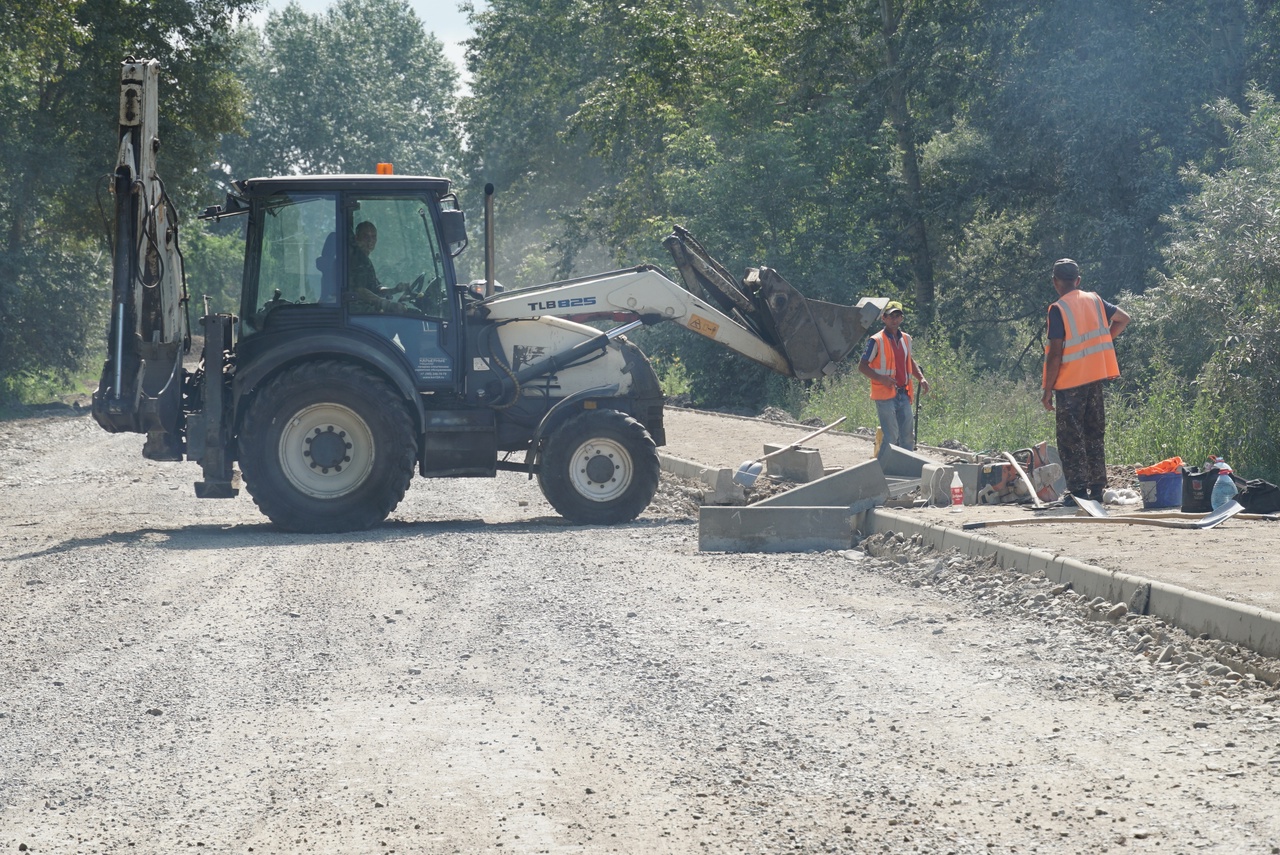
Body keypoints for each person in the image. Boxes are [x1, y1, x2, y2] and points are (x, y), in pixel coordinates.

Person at [1040, 258, 1130, 504]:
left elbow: (1056, 353)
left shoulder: (1058, 309)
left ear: (1055, 282)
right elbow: (1123, 318)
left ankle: (1078, 493)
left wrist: (1047, 390)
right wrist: (1104, 342)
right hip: (1095, 379)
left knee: (1071, 438)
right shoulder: (1095, 300)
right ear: (1078, 280)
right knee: (1094, 433)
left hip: (1070, 383)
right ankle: (1097, 490)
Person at [858, 300, 928, 455]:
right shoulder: (875, 340)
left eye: (897, 316)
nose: (894, 319)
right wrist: (881, 378)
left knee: (908, 437)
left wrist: (921, 378)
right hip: (884, 395)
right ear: (883, 318)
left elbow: (909, 360)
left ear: (901, 318)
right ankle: (883, 470)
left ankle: (906, 468)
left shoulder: (906, 338)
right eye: (890, 316)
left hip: (903, 393)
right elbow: (862, 366)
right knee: (891, 437)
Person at [348, 221, 418, 315]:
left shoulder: (365, 260)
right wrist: (386, 304)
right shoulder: (356, 259)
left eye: (373, 236)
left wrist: (395, 289)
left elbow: (376, 289)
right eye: (366, 236)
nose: (370, 240)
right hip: (357, 313)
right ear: (357, 238)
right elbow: (359, 290)